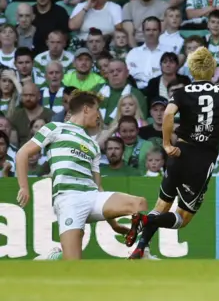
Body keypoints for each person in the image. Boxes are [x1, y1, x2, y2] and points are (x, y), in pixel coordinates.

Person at [127, 46, 219, 259]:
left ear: (192, 70)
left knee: (161, 204)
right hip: (202, 160)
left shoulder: (181, 91)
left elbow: (168, 114)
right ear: (212, 69)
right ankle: (147, 220)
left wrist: (167, 144)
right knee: (182, 218)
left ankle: (140, 248)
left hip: (179, 153)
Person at [15, 91, 148, 260]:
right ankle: (54, 258)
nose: (99, 115)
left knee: (139, 203)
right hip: (68, 199)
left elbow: (98, 187)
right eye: (97, 109)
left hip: (92, 196)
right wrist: (24, 187)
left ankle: (144, 254)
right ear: (86, 109)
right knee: (73, 263)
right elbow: (22, 154)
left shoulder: (92, 144)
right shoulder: (54, 128)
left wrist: (114, 224)